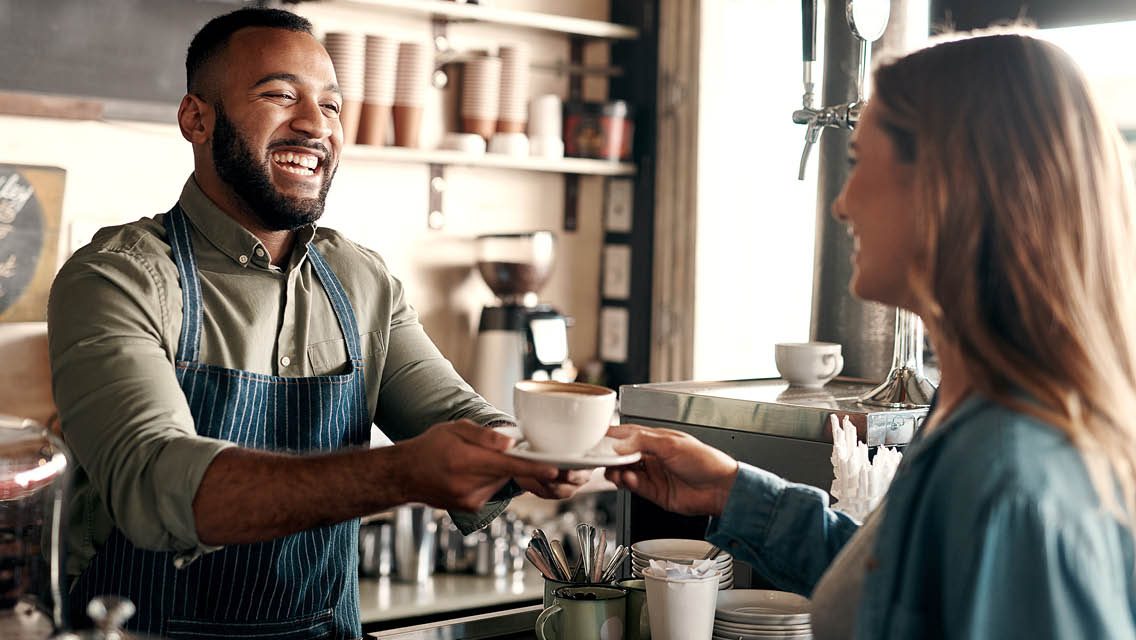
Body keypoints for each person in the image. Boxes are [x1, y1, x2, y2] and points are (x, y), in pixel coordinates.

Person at [46, 8, 591, 639]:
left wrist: (544, 449)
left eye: (331, 107)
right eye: (279, 95)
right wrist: (401, 473)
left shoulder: (361, 281)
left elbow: (456, 416)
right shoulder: (118, 278)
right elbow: (155, 484)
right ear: (195, 117)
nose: (314, 125)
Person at [606, 31, 1136, 639]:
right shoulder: (967, 414)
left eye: (859, 163)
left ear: (948, 187)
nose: (841, 204)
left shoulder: (1008, 480)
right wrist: (731, 492)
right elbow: (900, 596)